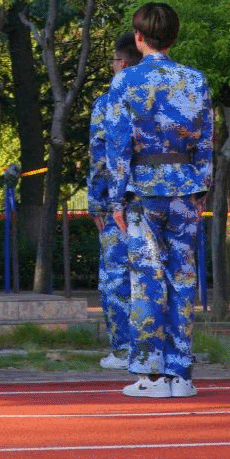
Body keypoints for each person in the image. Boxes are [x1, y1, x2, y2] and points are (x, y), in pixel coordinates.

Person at [104, 2, 212, 399]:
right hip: (184, 189)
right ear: (174, 38)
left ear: (138, 37)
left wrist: (116, 199)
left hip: (143, 191)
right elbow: (206, 140)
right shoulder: (195, 80)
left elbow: (117, 145)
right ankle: (181, 376)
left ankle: (151, 378)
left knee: (146, 281)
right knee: (182, 279)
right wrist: (201, 189)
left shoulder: (125, 81)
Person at [88, 29, 142, 371]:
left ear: (121, 63)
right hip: (164, 198)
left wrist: (97, 202)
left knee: (117, 277)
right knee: (157, 276)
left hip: (119, 203)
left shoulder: (108, 102)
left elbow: (100, 158)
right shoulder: (164, 95)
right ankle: (160, 348)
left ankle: (123, 350)